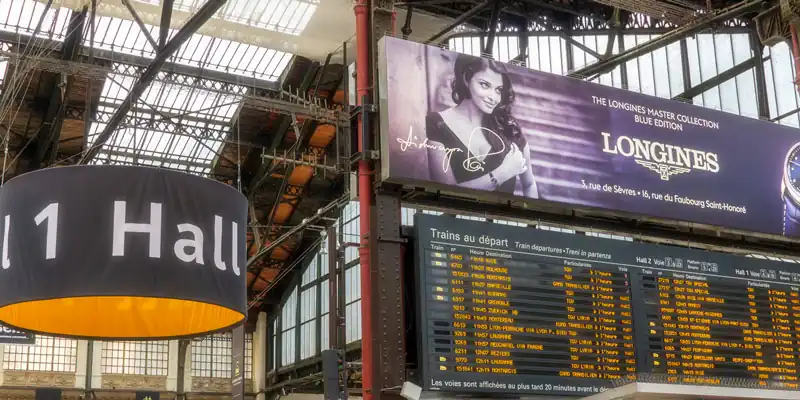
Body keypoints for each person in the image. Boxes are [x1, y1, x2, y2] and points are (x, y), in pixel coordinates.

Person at [425, 54, 539, 198]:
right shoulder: (437, 124)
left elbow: (529, 185)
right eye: (485, 85)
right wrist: (503, 173)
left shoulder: (510, 132)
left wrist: (528, 219)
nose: (493, 97)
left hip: (502, 219)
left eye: (499, 90)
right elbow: (448, 193)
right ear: (467, 78)